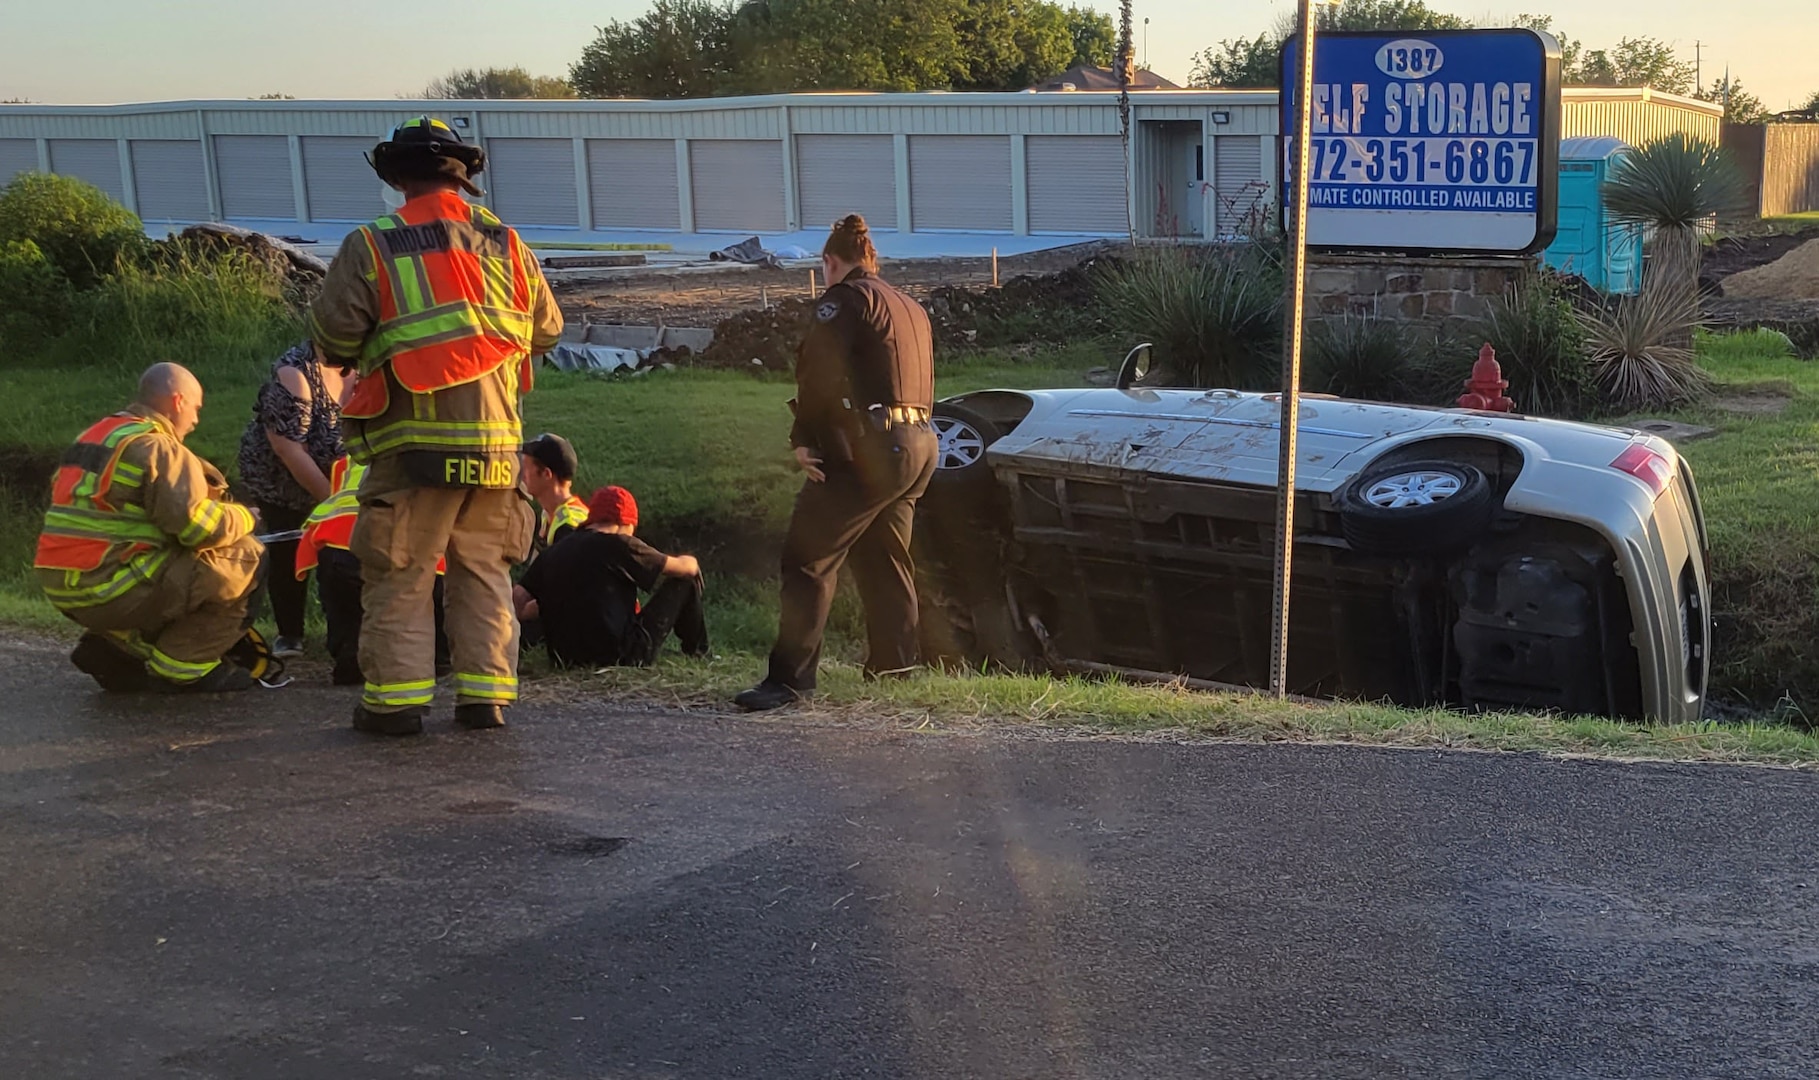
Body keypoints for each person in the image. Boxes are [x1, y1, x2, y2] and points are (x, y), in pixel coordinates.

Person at [308, 116, 564, 737]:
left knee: (402, 574)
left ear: (397, 175)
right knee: (484, 572)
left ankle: (395, 705)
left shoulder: (372, 244)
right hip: (498, 450)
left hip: (410, 445)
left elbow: (333, 337)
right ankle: (485, 700)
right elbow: (547, 329)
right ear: (463, 175)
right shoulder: (508, 243)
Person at [733, 215, 936, 712]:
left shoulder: (844, 300)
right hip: (922, 444)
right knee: (885, 555)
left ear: (830, 261)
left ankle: (790, 679)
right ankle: (896, 665)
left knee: (808, 558)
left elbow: (819, 372)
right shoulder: (910, 306)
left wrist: (804, 437)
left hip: (874, 447)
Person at [35, 363, 265, 693]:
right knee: (247, 557)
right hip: (108, 586)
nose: (197, 420)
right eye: (196, 409)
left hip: (62, 583)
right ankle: (184, 665)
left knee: (171, 563)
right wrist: (246, 518)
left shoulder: (96, 436)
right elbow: (196, 529)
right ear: (177, 401)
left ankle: (118, 648)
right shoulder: (160, 448)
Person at [295, 454, 450, 687]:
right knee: (430, 597)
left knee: (345, 610)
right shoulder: (428, 456)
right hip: (395, 540)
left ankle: (350, 662)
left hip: (336, 543)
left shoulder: (346, 463)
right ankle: (438, 659)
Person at [236, 340, 349, 658]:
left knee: (343, 555)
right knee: (288, 550)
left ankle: (345, 631)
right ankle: (289, 634)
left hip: (342, 469)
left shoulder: (370, 361)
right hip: (280, 478)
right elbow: (289, 449)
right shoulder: (293, 373)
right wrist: (335, 504)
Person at [516, 486, 709, 669]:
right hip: (621, 656)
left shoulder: (553, 552)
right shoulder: (620, 544)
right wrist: (691, 561)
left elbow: (517, 599)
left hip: (563, 658)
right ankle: (698, 653)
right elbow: (683, 567)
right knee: (685, 580)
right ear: (625, 523)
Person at [521, 432, 588, 557]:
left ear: (546, 474)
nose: (521, 474)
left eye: (525, 468)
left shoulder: (569, 528)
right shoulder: (549, 514)